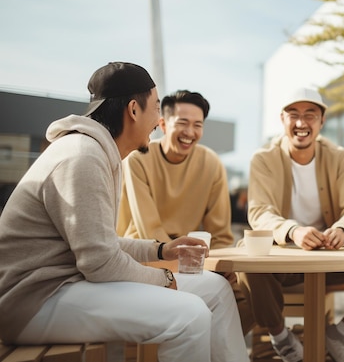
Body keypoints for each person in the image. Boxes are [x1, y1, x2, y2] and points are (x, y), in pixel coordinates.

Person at [0, 62, 248, 362]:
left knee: (216, 289)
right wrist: (166, 280)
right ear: (133, 110)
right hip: (35, 301)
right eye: (157, 108)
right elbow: (100, 263)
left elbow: (101, 245)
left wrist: (161, 249)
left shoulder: (98, 152)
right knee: (189, 315)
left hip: (70, 283)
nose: (158, 120)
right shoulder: (82, 156)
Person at [241, 87, 344, 362]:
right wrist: (292, 231)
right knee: (248, 259)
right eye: (294, 115)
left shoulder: (340, 157)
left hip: (332, 258)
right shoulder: (263, 159)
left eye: (310, 115)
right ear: (282, 119)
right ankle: (282, 339)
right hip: (283, 261)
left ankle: (342, 331)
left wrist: (342, 230)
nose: (301, 123)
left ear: (322, 121)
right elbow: (259, 211)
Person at [116, 89, 254, 334]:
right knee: (202, 305)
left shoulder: (211, 163)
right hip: (146, 259)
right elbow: (151, 232)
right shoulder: (138, 159)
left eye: (197, 125)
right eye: (182, 123)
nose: (190, 132)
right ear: (162, 125)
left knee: (252, 302)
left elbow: (220, 234)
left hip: (193, 263)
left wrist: (222, 267)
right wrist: (198, 267)